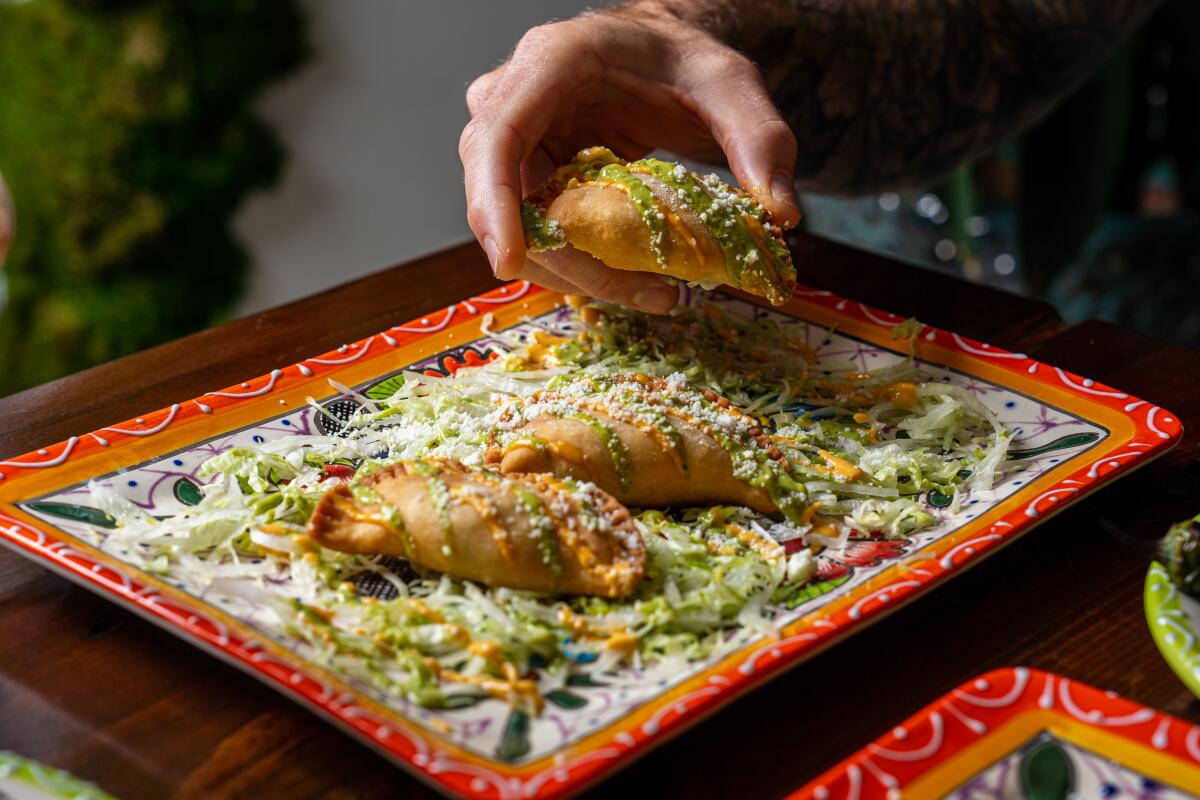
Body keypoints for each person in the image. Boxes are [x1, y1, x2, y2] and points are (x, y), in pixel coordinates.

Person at [459, 0, 1159, 312]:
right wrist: (673, 29)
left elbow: (1006, 27)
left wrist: (682, 27)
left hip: (1127, 250)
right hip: (844, 259)